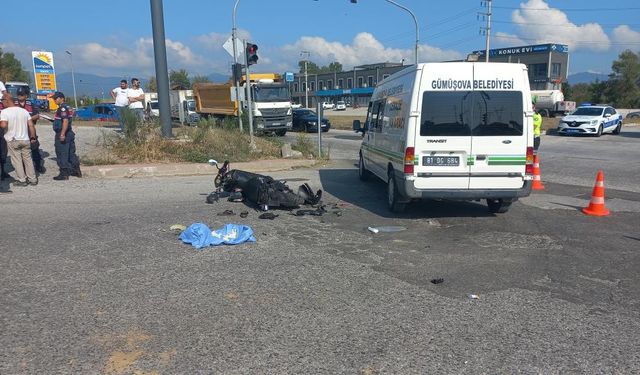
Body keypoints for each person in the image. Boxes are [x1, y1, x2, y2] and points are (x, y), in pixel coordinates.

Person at [0, 92, 38, 186]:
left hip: (13, 140)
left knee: (17, 160)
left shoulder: (5, 112)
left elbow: (4, 125)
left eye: (2, 101)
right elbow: (31, 125)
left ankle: (22, 180)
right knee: (28, 159)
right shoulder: (23, 111)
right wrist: (33, 137)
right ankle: (33, 179)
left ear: (7, 101)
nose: (2, 103)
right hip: (25, 139)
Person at [51, 92, 81, 180]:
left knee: (62, 153)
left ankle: (64, 173)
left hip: (63, 133)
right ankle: (76, 170)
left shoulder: (62, 108)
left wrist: (62, 134)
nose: (54, 100)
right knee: (71, 153)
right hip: (69, 133)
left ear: (62, 98)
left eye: (56, 98)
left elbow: (65, 121)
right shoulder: (68, 107)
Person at [15, 87, 46, 174]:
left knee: (34, 147)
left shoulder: (30, 104)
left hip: (30, 129)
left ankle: (38, 165)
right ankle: (23, 168)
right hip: (18, 131)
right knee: (20, 149)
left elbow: (37, 115)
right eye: (18, 95)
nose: (20, 96)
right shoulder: (14, 105)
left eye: (22, 95)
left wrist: (27, 119)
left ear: (26, 96)